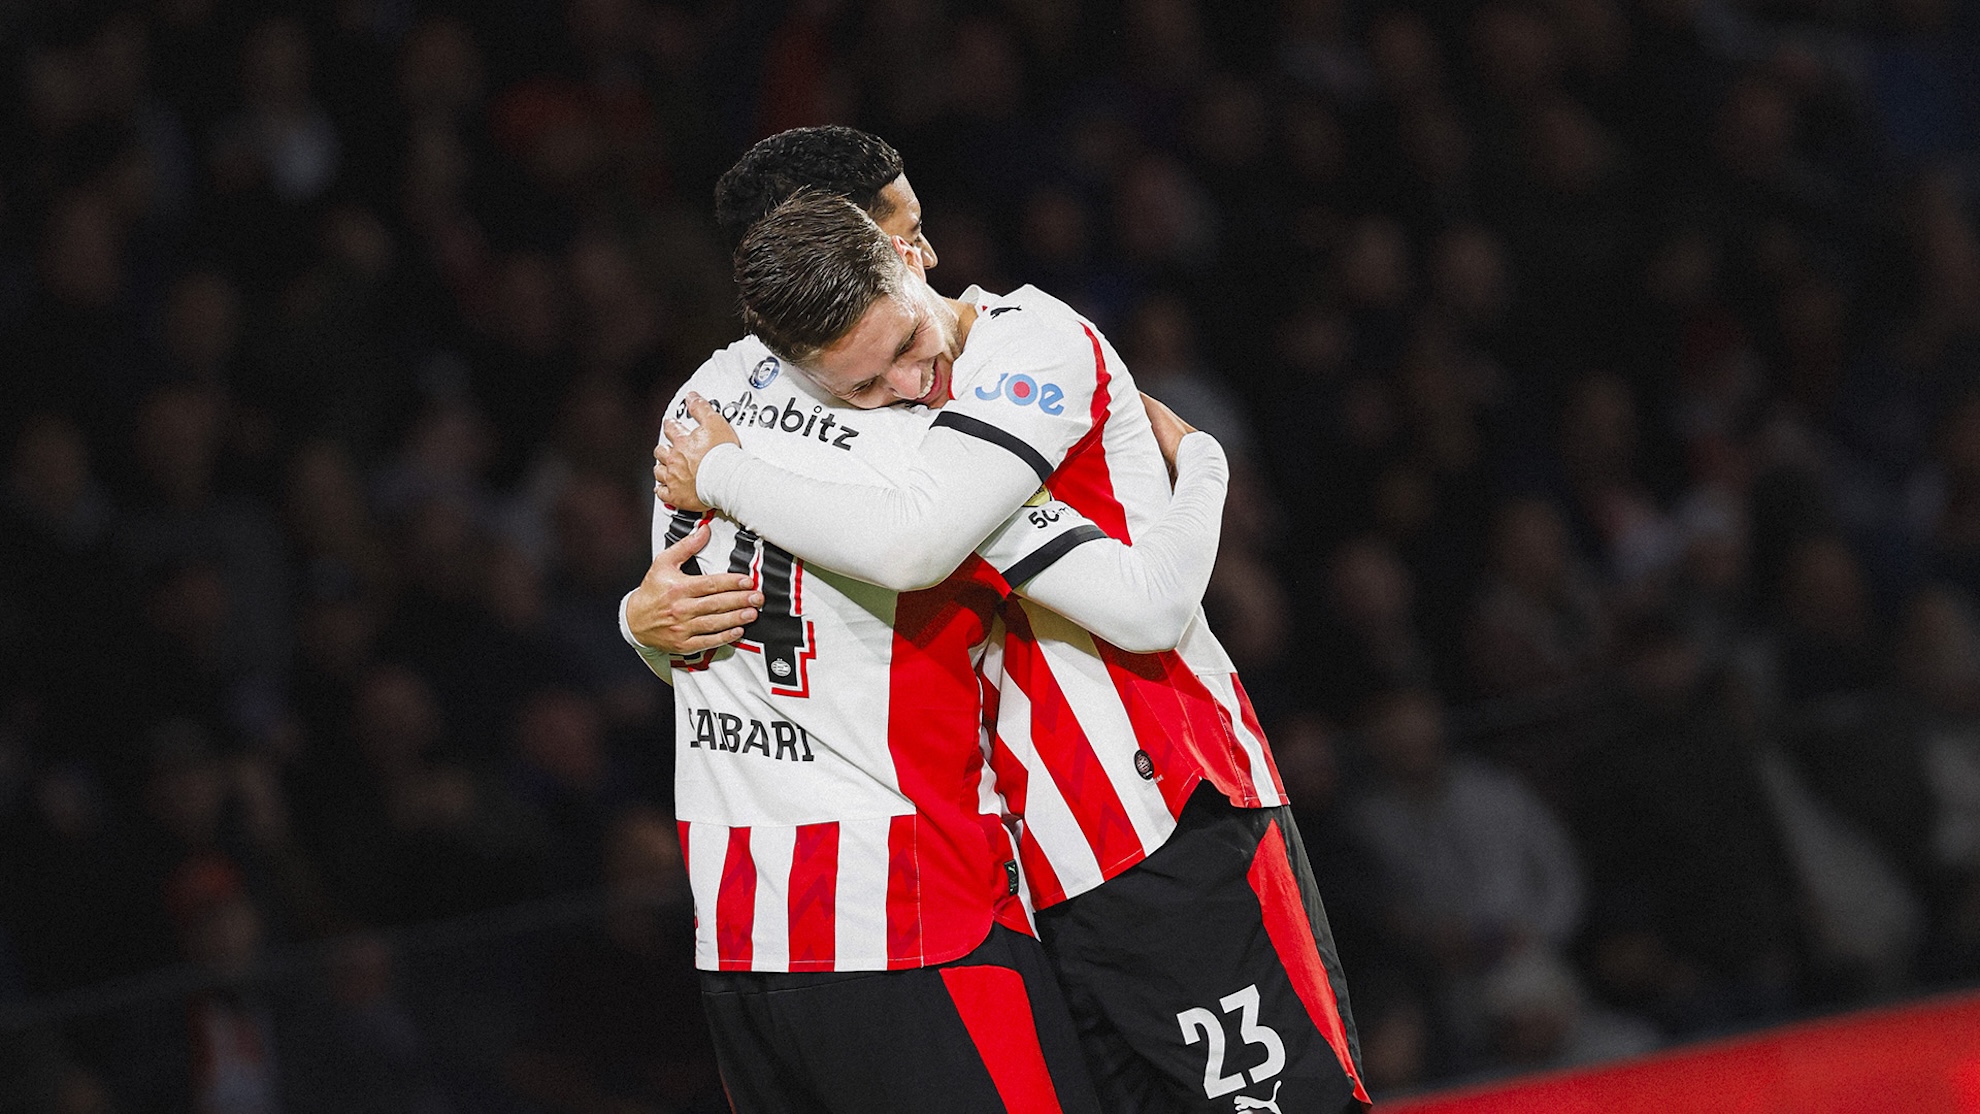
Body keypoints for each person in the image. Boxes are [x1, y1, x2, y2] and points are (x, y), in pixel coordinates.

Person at [654, 186, 1369, 1112]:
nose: (905, 384)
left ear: (907, 252)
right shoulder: (852, 431)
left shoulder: (1027, 348)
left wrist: (1205, 462)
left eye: (907, 346)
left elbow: (1142, 604)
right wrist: (645, 624)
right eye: (863, 385)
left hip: (1166, 812)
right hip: (1033, 869)